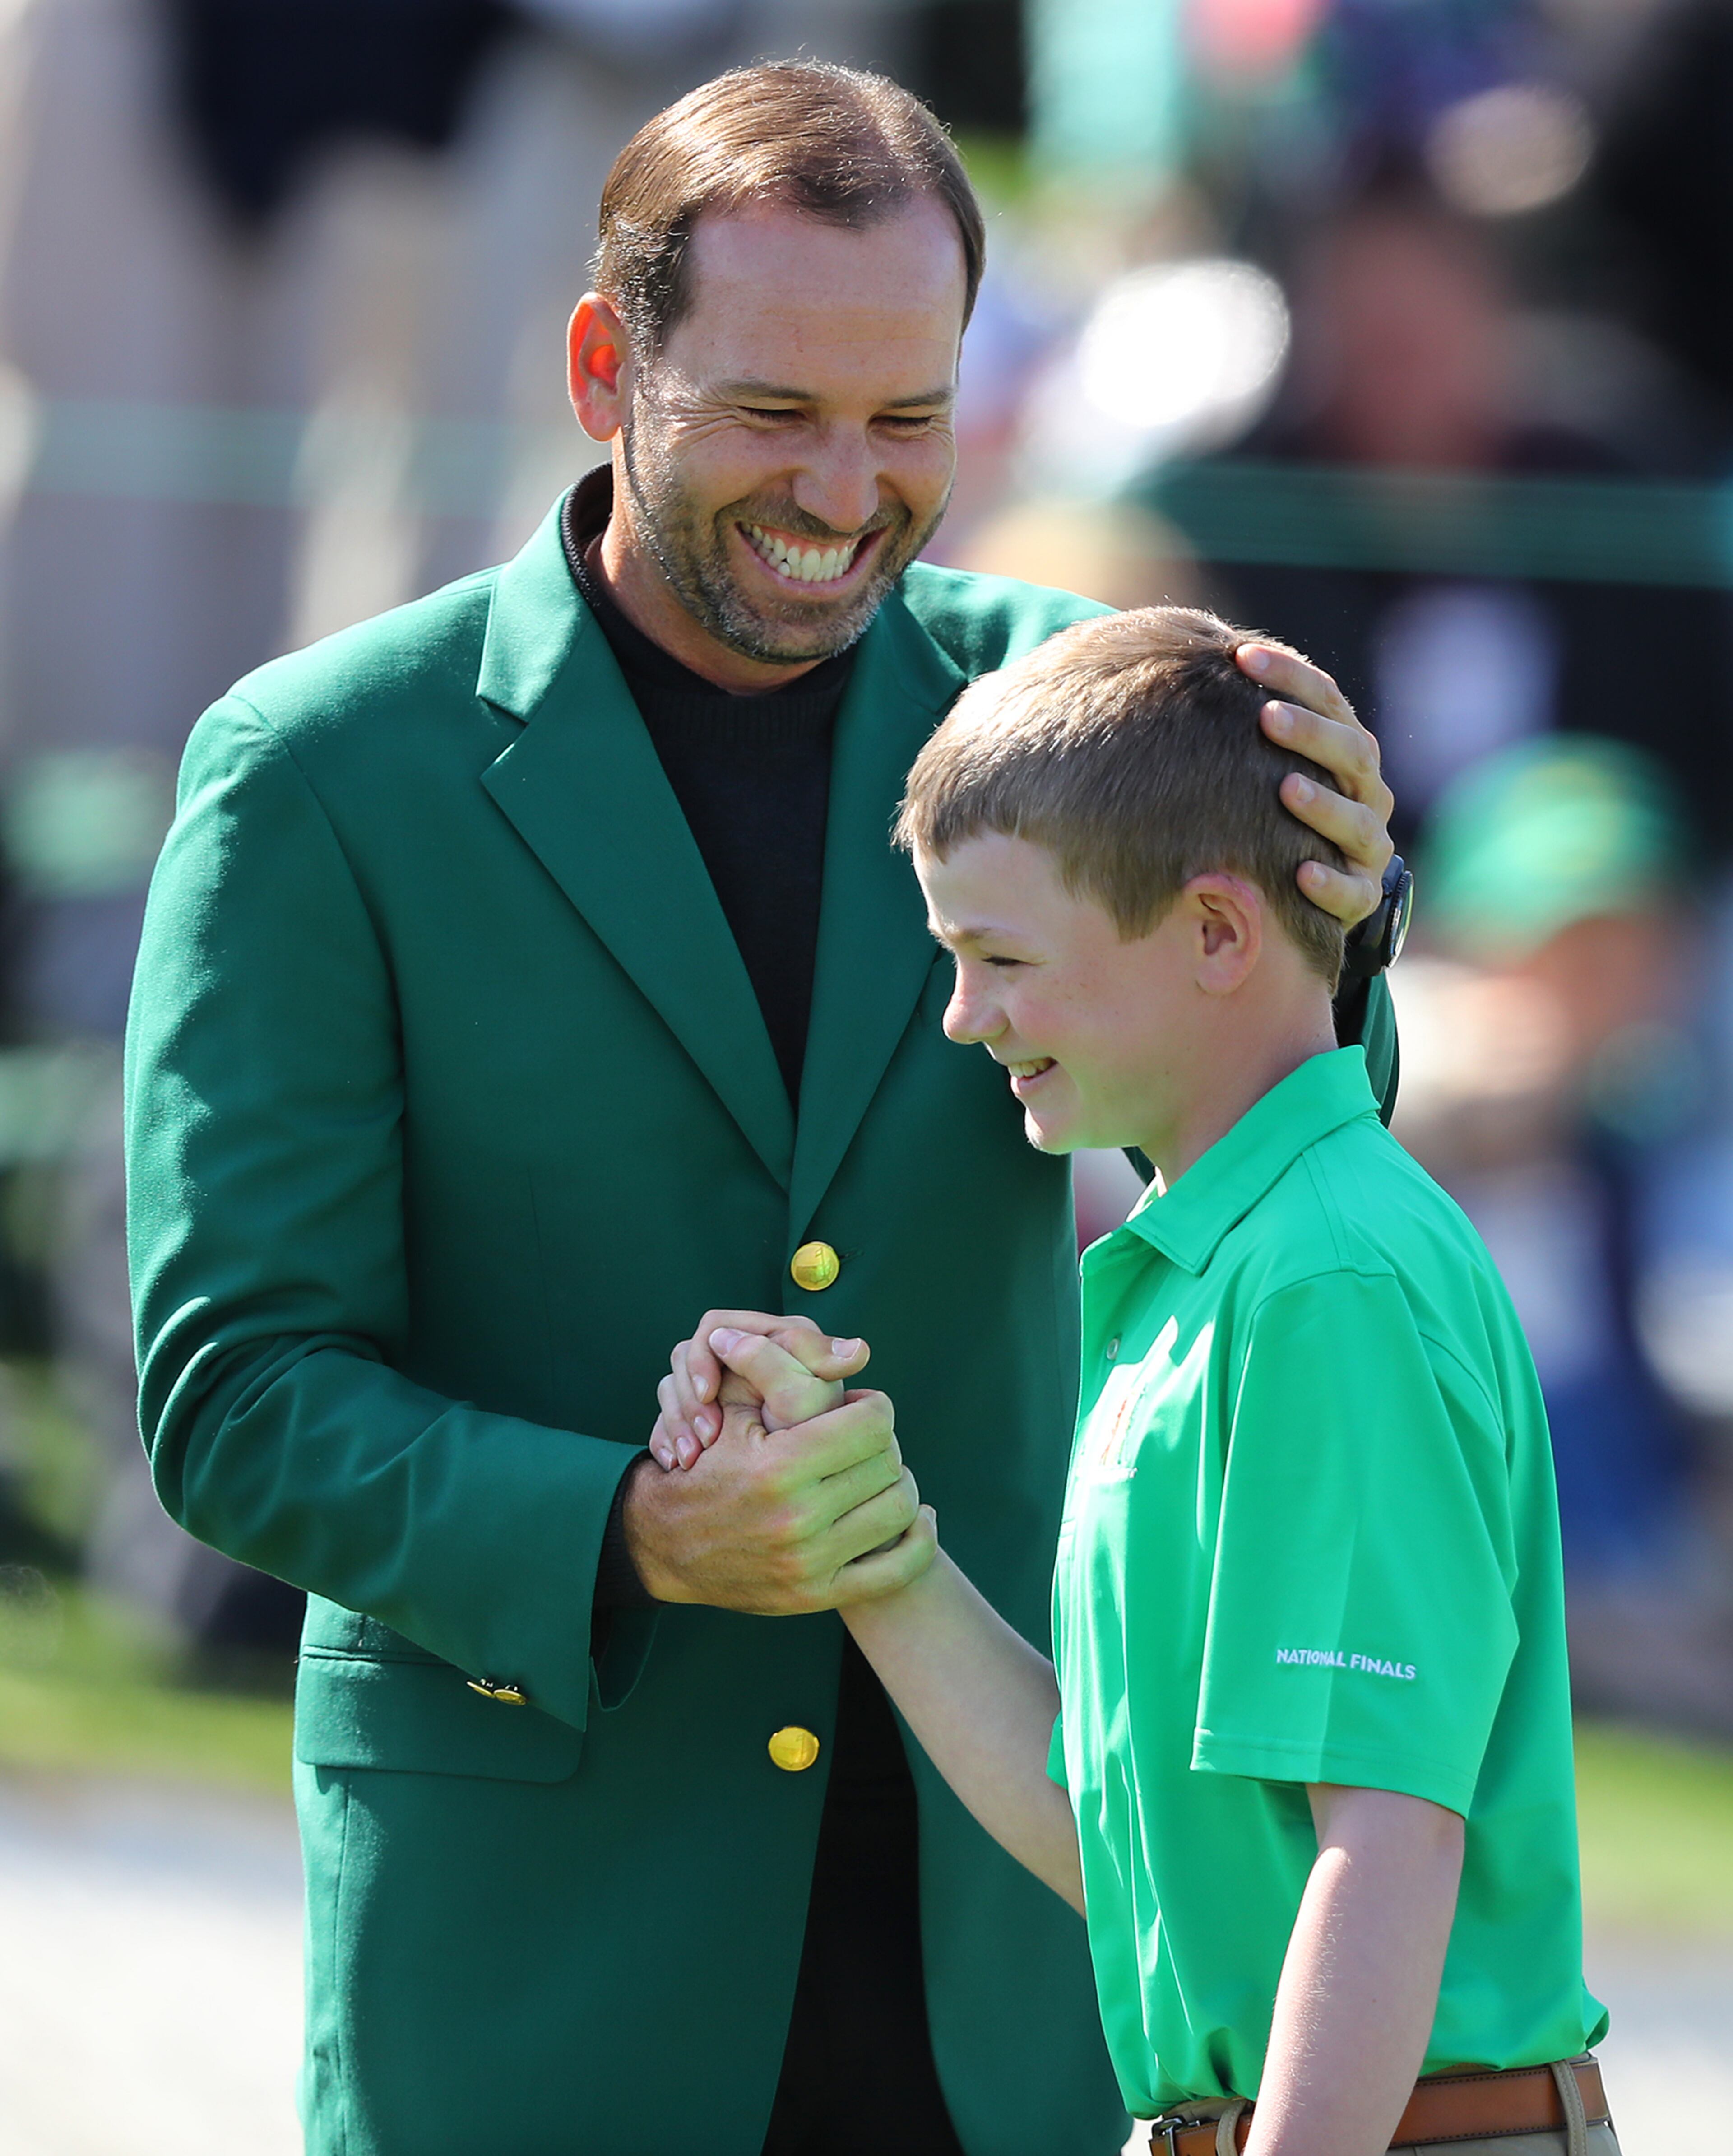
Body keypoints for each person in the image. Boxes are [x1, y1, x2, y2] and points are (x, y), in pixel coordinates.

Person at [125, 64, 1401, 2156]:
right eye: (774, 415)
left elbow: (1291, 1178)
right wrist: (627, 1531)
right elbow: (234, 1391)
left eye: (907, 421)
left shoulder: (1078, 712)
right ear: (601, 363)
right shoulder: (319, 771)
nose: (845, 493)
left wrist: (1343, 940)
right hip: (541, 1973)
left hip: (1018, 1967)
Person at [691, 606, 1613, 2156]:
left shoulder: (1330, 1281)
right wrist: (854, 1525)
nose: (964, 1017)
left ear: (1212, 933)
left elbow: (1383, 1844)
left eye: (1001, 960)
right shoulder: (1213, 1270)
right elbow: (1115, 1833)